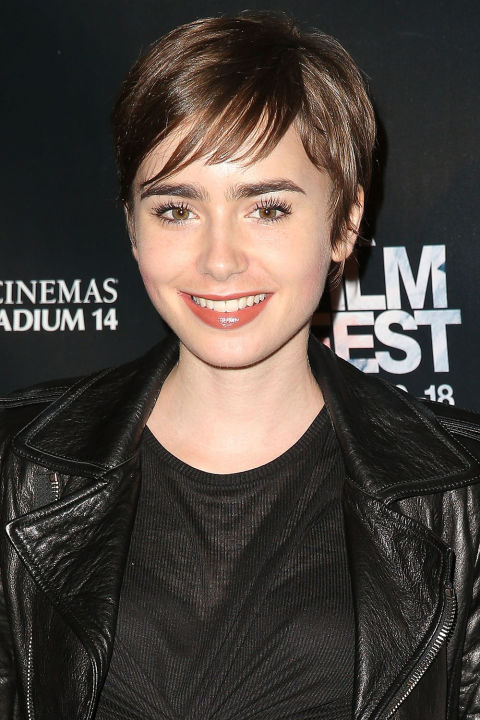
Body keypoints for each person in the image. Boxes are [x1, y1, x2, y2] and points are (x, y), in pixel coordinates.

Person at [0, 10, 479, 720]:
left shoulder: (463, 492)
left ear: (344, 223)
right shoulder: (17, 467)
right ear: (132, 224)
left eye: (268, 209)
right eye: (176, 210)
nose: (219, 260)